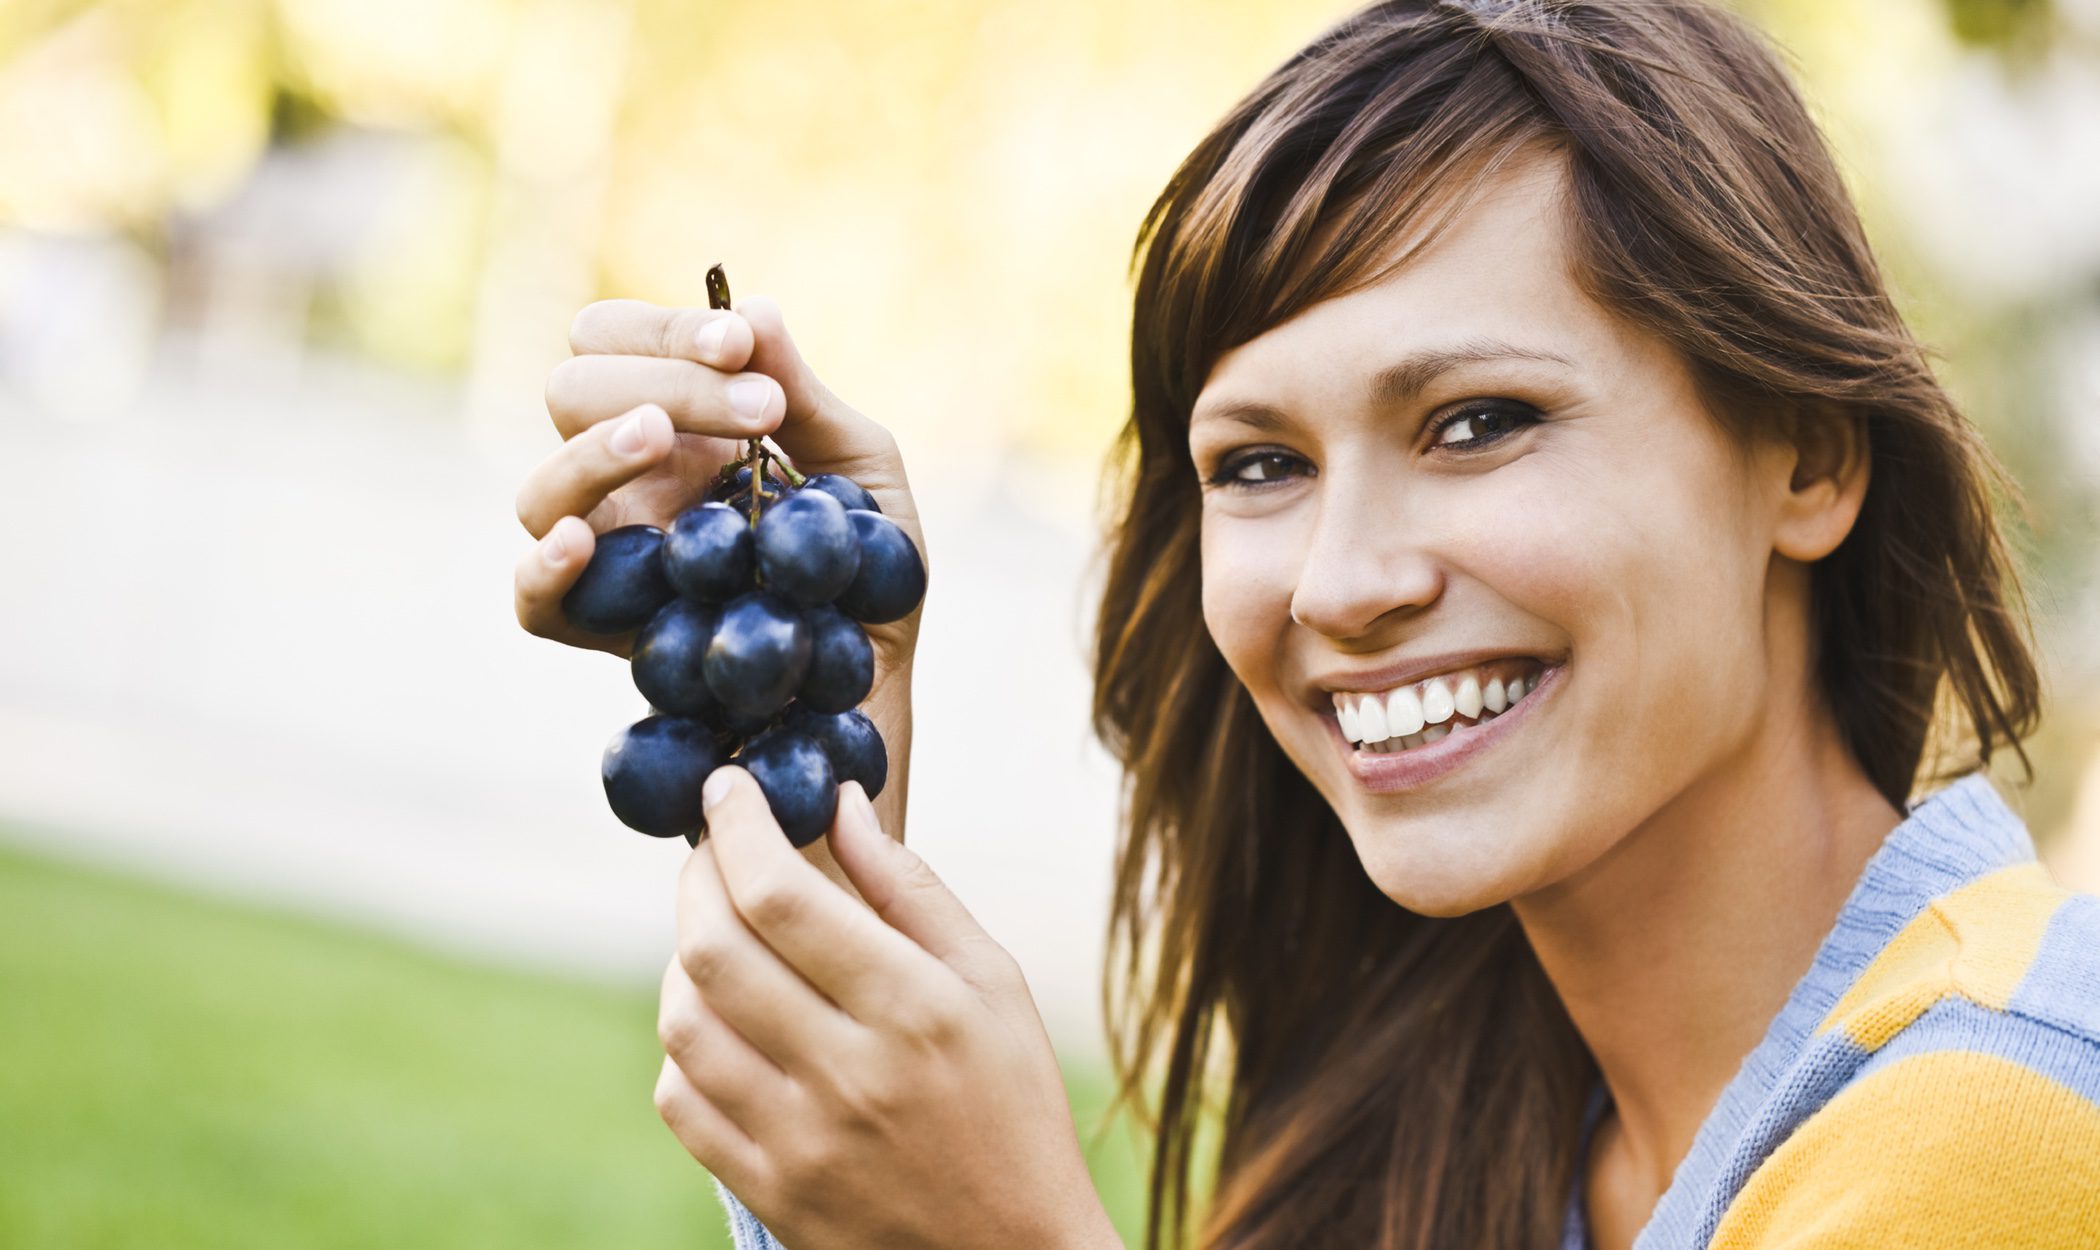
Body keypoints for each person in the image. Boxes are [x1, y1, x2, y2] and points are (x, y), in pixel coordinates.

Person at [509, 1, 2100, 1247]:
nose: (1340, 582)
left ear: (1809, 458)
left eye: (1478, 421)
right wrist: (810, 711)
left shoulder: (2000, 1125)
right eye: (1260, 463)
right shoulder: (1475, 1114)